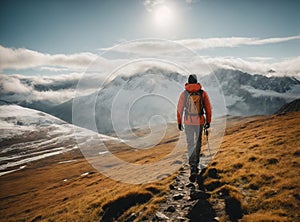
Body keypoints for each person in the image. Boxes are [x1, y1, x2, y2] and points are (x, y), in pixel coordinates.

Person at [177, 74, 212, 181]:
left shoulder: (184, 93)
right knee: (198, 142)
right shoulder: (202, 93)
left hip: (188, 121)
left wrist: (179, 122)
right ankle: (196, 163)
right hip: (200, 121)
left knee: (190, 143)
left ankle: (192, 166)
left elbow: (179, 109)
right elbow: (208, 108)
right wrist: (208, 121)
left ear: (188, 82)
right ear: (197, 82)